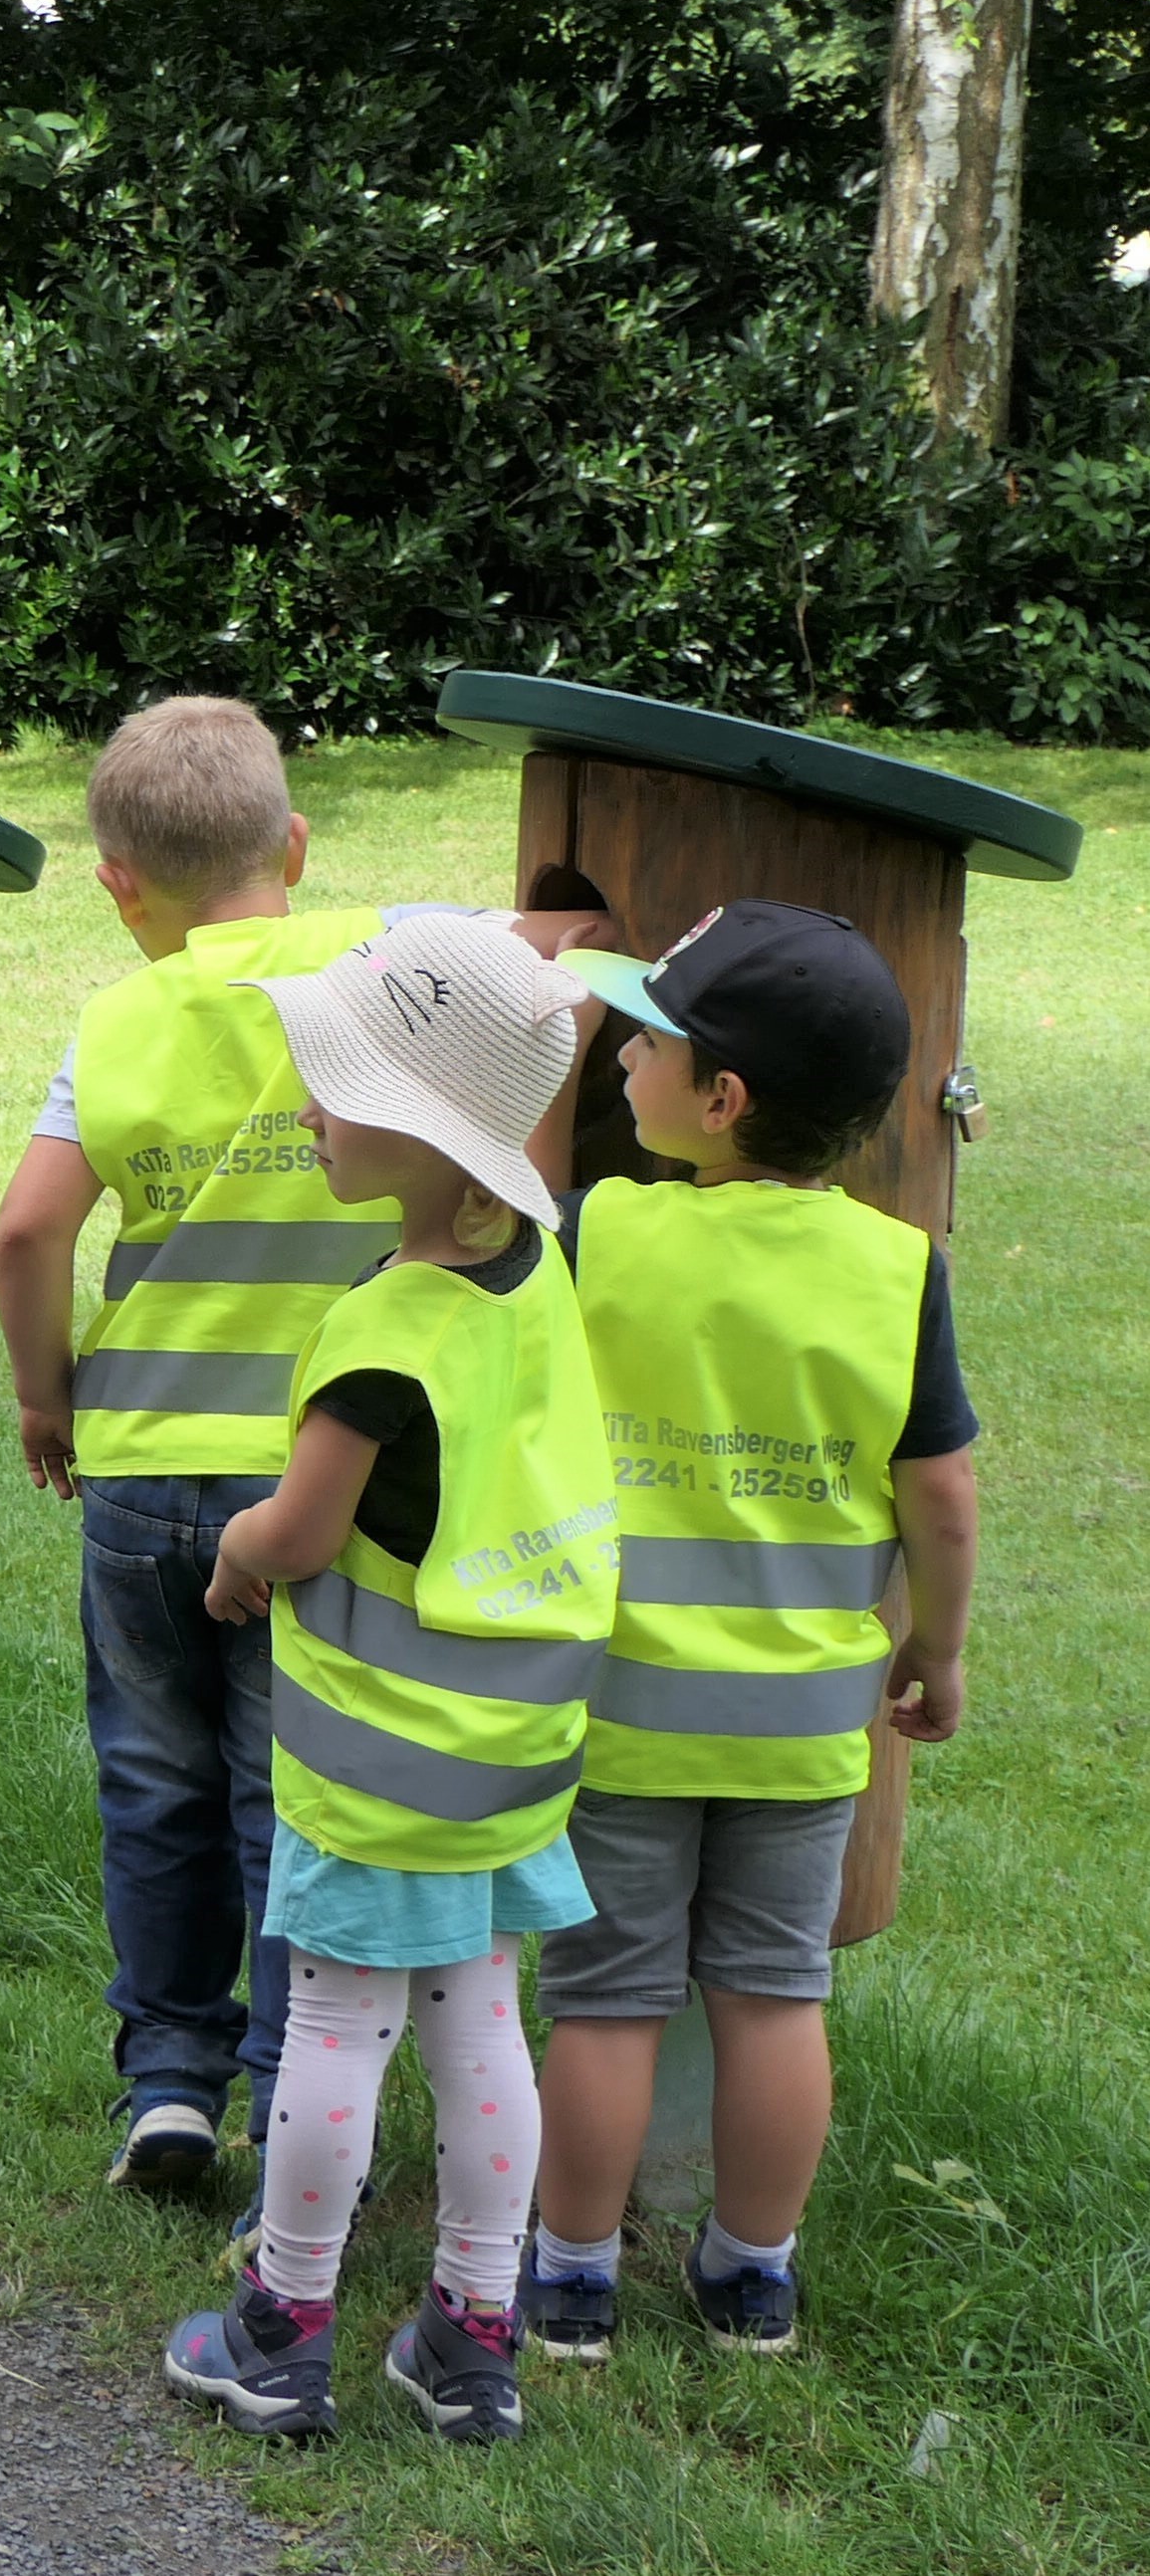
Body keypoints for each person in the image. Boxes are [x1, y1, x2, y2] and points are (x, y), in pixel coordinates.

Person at [0, 696, 582, 2200]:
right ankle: (281, 2095)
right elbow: (533, 950)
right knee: (286, 1796)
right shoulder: (375, 961)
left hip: (135, 1472)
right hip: (310, 1486)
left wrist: (42, 1391)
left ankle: (165, 2081)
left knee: (149, 1779)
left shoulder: (114, 1019)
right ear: (295, 845)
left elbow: (25, 1225)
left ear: (114, 882)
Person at [161, 915, 615, 2450]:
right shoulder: (532, 1265)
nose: (307, 1105)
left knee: (337, 2030)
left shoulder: (378, 1331)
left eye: (335, 1085)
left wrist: (228, 1553)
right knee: (480, 2022)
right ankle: (467, 2336)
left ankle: (281, 2325)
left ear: (422, 1135)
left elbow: (295, 1529)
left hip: (376, 1764)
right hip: (511, 1750)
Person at [520, 906, 984, 2361]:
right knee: (775, 1996)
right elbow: (942, 1495)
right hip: (797, 1725)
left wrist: (553, 1027)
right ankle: (748, 2273)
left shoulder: (606, 1227)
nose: (625, 1063)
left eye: (645, 1040)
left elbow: (507, 1197)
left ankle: (572, 2275)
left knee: (602, 1999)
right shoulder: (893, 1269)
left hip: (617, 1705)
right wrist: (938, 1647)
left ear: (717, 1098)